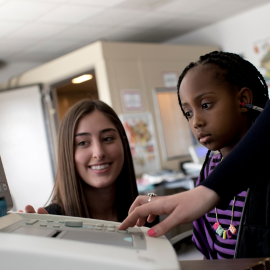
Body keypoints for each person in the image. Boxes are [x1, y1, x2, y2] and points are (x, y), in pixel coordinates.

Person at [119, 51, 270, 259]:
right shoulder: (210, 168)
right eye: (188, 113)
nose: (196, 122)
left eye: (206, 105)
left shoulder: (266, 167)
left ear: (243, 99)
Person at [20, 99, 157, 225]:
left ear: (124, 143)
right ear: (68, 154)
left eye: (107, 139)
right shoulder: (51, 222)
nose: (99, 153)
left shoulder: (145, 213)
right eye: (83, 142)